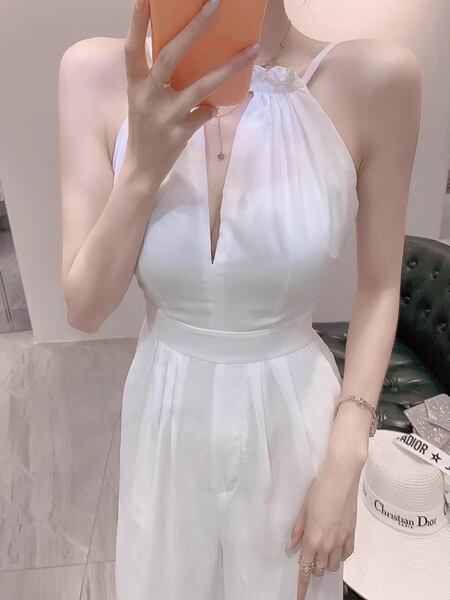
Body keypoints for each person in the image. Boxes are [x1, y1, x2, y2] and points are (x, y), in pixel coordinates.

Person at [58, 0, 422, 598]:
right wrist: (143, 166)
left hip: (294, 422)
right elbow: (86, 309)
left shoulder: (373, 80)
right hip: (165, 418)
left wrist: (348, 452)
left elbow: (380, 286)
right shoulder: (94, 74)